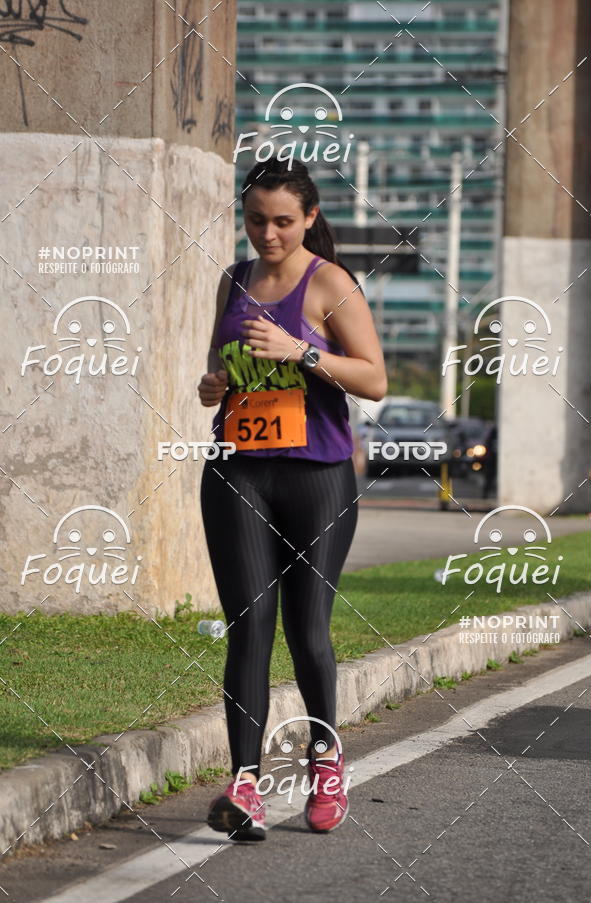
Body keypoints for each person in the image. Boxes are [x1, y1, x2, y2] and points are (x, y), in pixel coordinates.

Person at [198, 158, 387, 841]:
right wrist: (213, 386)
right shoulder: (235, 279)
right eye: (256, 221)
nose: (268, 234)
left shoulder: (329, 282)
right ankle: (245, 787)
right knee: (249, 625)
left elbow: (373, 378)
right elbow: (218, 370)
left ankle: (326, 760)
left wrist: (298, 350)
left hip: (317, 476)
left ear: (309, 217)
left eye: (282, 221)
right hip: (238, 469)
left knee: (307, 630)